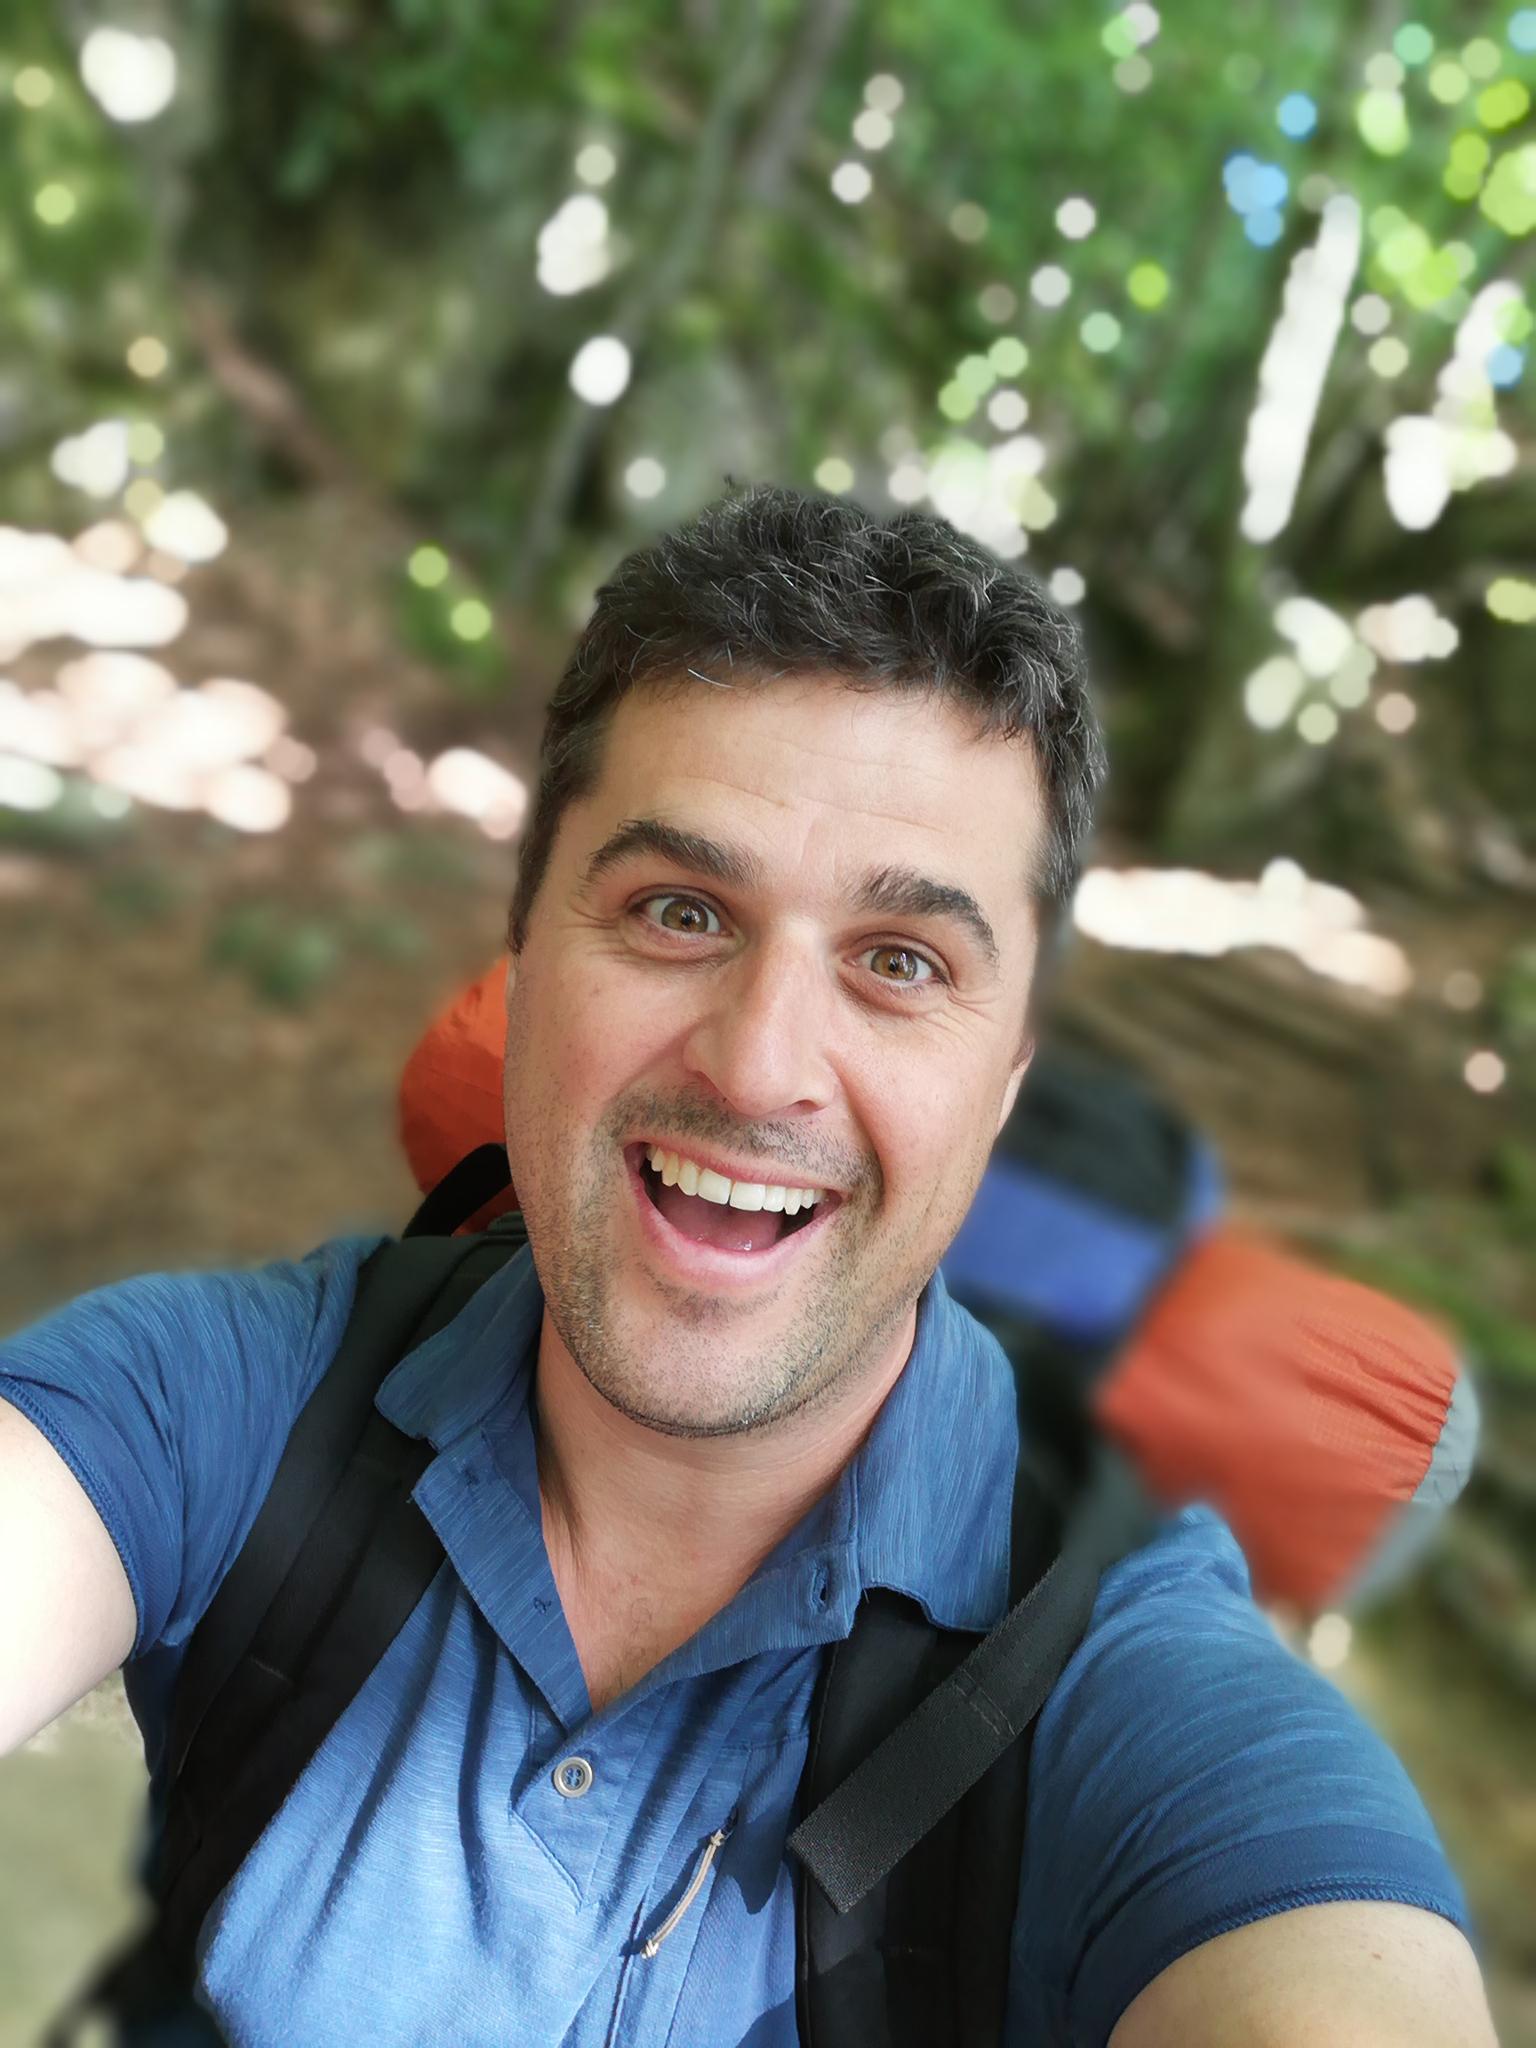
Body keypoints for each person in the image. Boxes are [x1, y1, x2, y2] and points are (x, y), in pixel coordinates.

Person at [0, 486, 1496, 2046]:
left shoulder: (1128, 1687)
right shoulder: (230, 1400)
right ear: (525, 959)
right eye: (679, 911)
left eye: (901, 962)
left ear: (1005, 1079)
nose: (760, 1064)